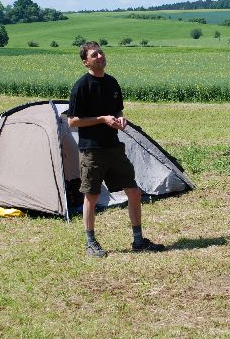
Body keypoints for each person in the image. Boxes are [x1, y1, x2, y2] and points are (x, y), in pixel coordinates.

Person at [68, 41, 165, 258]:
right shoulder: (81, 86)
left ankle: (138, 240)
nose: (100, 56)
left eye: (101, 52)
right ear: (86, 62)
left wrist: (121, 120)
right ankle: (91, 242)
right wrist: (102, 119)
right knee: (91, 196)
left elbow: (119, 111)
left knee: (134, 192)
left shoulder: (112, 83)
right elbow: (73, 122)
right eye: (95, 55)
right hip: (92, 150)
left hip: (114, 148)